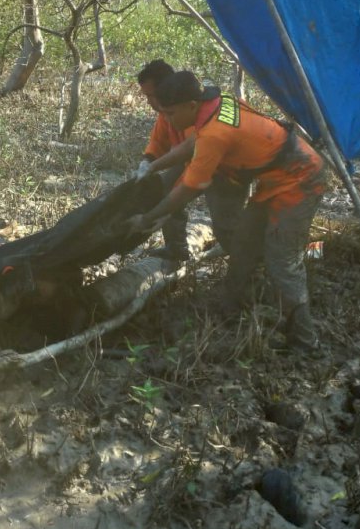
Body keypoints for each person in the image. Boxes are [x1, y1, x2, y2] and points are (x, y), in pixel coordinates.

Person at [128, 71, 326, 349]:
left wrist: (149, 217)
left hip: (300, 178)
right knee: (243, 243)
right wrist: (152, 166)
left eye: (170, 113)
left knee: (283, 261)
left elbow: (190, 187)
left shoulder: (215, 134)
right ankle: (232, 307)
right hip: (275, 179)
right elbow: (191, 144)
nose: (167, 120)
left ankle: (305, 338)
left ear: (191, 105)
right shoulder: (213, 106)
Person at [135, 59, 195, 263]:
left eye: (150, 95)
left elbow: (196, 164)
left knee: (226, 221)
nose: (149, 102)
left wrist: (167, 209)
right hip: (188, 159)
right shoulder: (167, 110)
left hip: (222, 167)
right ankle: (176, 249)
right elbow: (159, 141)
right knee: (165, 189)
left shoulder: (187, 110)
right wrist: (147, 161)